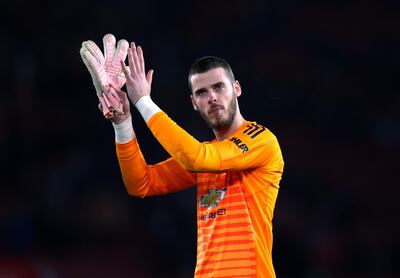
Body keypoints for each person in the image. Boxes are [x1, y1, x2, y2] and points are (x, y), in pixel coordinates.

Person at [89, 41, 284, 277]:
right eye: (202, 92)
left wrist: (143, 101)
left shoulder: (260, 140)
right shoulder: (206, 153)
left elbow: (197, 158)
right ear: (194, 103)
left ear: (237, 89)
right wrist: (122, 124)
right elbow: (141, 183)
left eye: (219, 87)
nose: (212, 97)